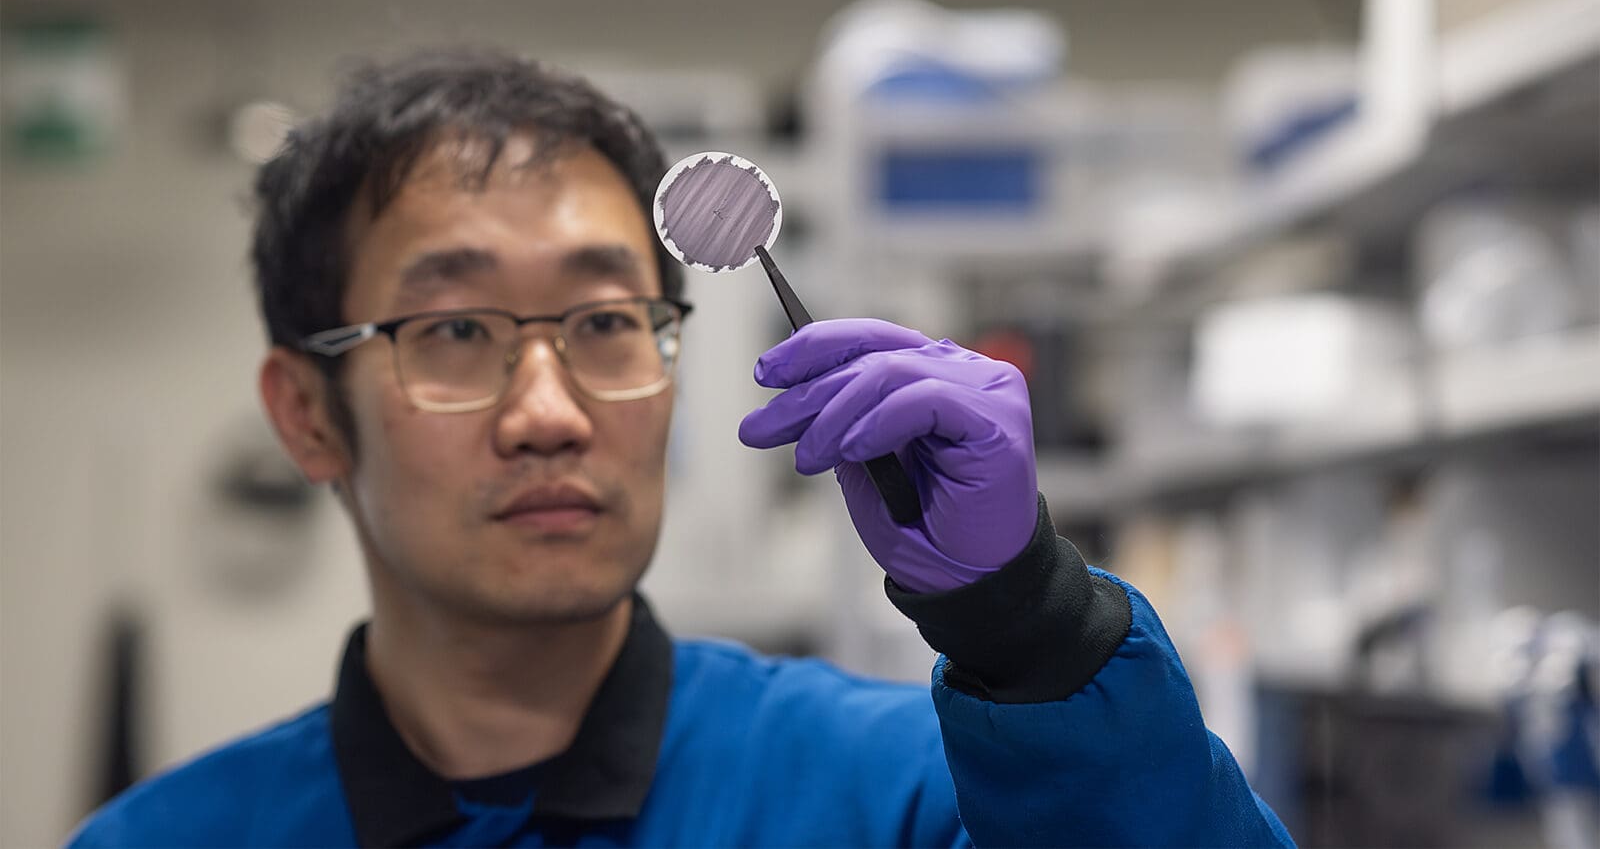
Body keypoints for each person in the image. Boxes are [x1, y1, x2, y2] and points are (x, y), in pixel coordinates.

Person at [68, 47, 1293, 848]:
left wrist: (1030, 623)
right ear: (302, 412)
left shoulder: (908, 796)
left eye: (606, 322)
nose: (547, 409)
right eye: (451, 329)